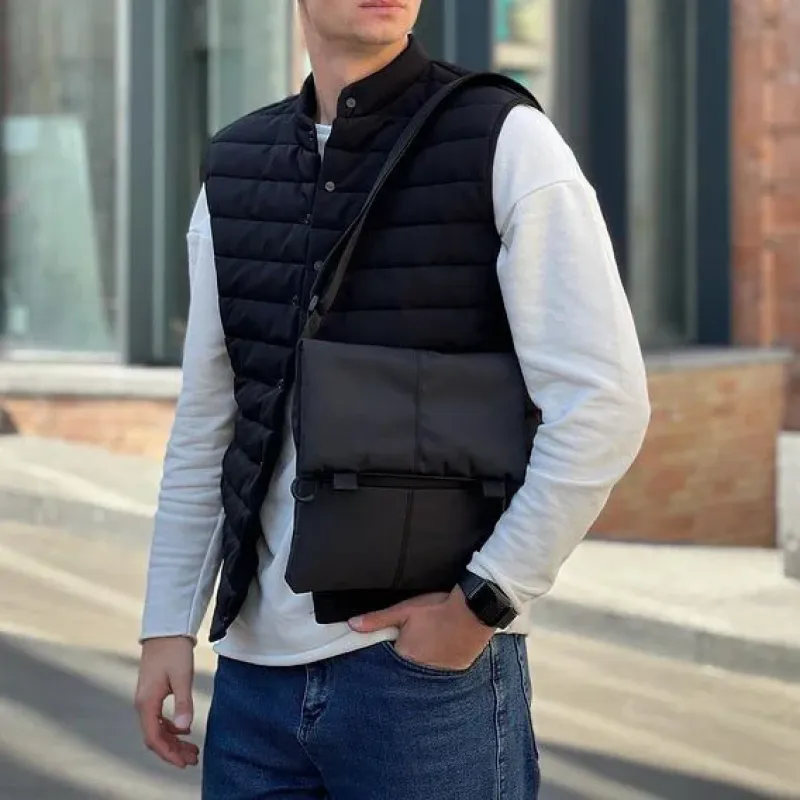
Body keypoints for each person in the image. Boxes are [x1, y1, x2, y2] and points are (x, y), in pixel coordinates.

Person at [135, 1, 651, 798]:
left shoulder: (505, 138)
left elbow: (604, 404)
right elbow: (212, 417)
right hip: (251, 686)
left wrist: (482, 605)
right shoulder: (236, 165)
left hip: (423, 683)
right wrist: (167, 622)